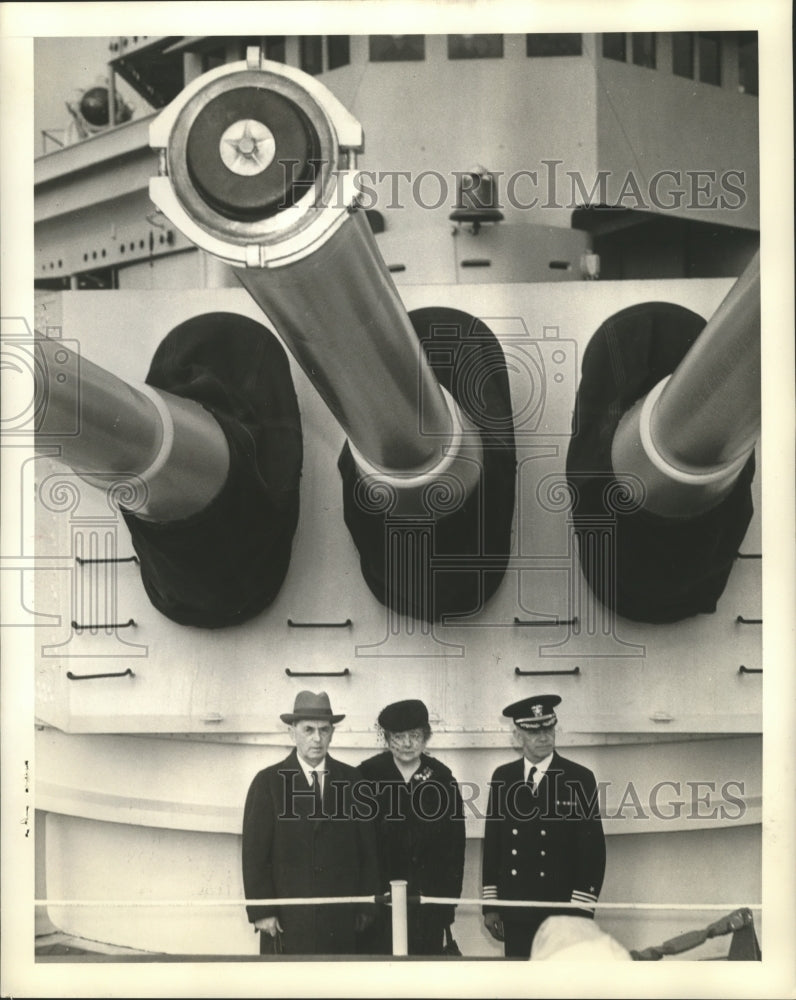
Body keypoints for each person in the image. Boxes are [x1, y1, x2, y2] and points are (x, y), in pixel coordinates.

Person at [241, 690, 379, 955]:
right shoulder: (268, 782)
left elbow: (368, 851)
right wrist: (262, 911)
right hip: (287, 923)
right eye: (308, 730)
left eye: (324, 730)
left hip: (341, 921)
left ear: (332, 734)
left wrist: (366, 905)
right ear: (292, 733)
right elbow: (254, 855)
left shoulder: (353, 781)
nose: (317, 738)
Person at [481, 694, 606, 959]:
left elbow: (593, 851)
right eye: (533, 731)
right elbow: (493, 844)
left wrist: (580, 911)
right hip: (516, 910)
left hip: (562, 911)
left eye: (548, 728)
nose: (543, 737)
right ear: (518, 737)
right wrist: (491, 905)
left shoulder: (579, 778)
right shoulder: (503, 777)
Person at [357, 699, 465, 955]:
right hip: (378, 906)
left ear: (425, 737)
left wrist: (446, 905)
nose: (407, 743)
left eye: (414, 735)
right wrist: (363, 902)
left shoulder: (442, 778)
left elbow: (455, 847)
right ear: (386, 738)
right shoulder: (367, 775)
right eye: (399, 736)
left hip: (426, 906)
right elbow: (356, 845)